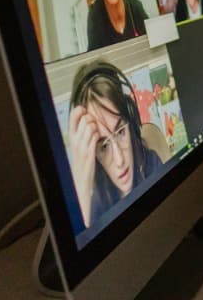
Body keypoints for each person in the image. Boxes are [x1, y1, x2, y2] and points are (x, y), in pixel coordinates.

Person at [68, 60, 162, 228]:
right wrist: (81, 193)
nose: (119, 160)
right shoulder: (92, 206)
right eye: (104, 146)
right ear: (94, 155)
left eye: (120, 132)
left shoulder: (151, 164)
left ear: (131, 122)